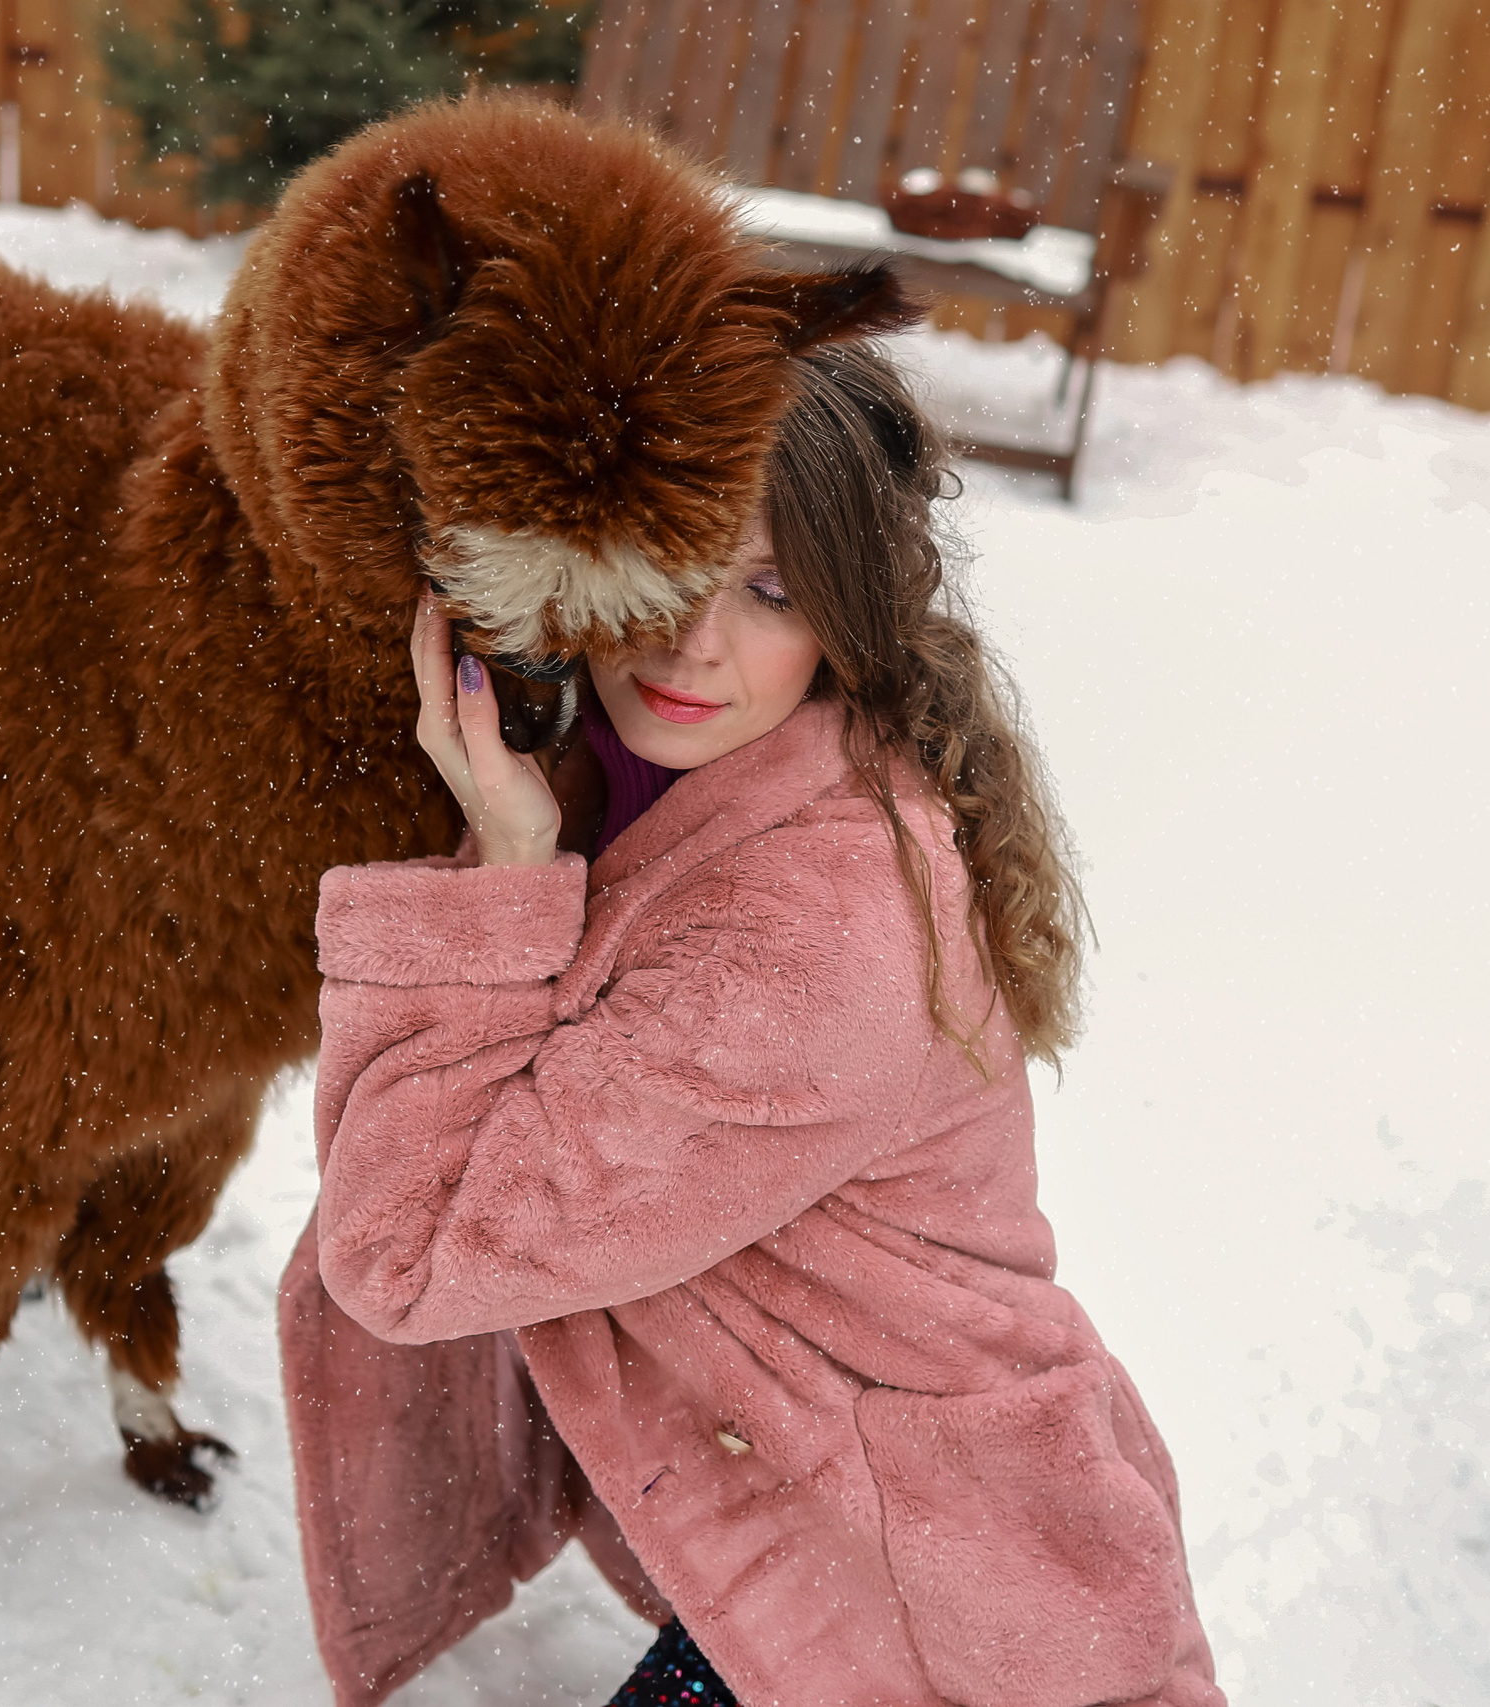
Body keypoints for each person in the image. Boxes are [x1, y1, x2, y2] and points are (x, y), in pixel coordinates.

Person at [277, 344, 1226, 1707]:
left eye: (771, 591)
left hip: (932, 1603)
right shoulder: (673, 776)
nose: (694, 642)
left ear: (848, 617)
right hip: (838, 1512)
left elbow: (409, 1253)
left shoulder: (814, 937)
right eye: (671, 568)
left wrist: (501, 879)